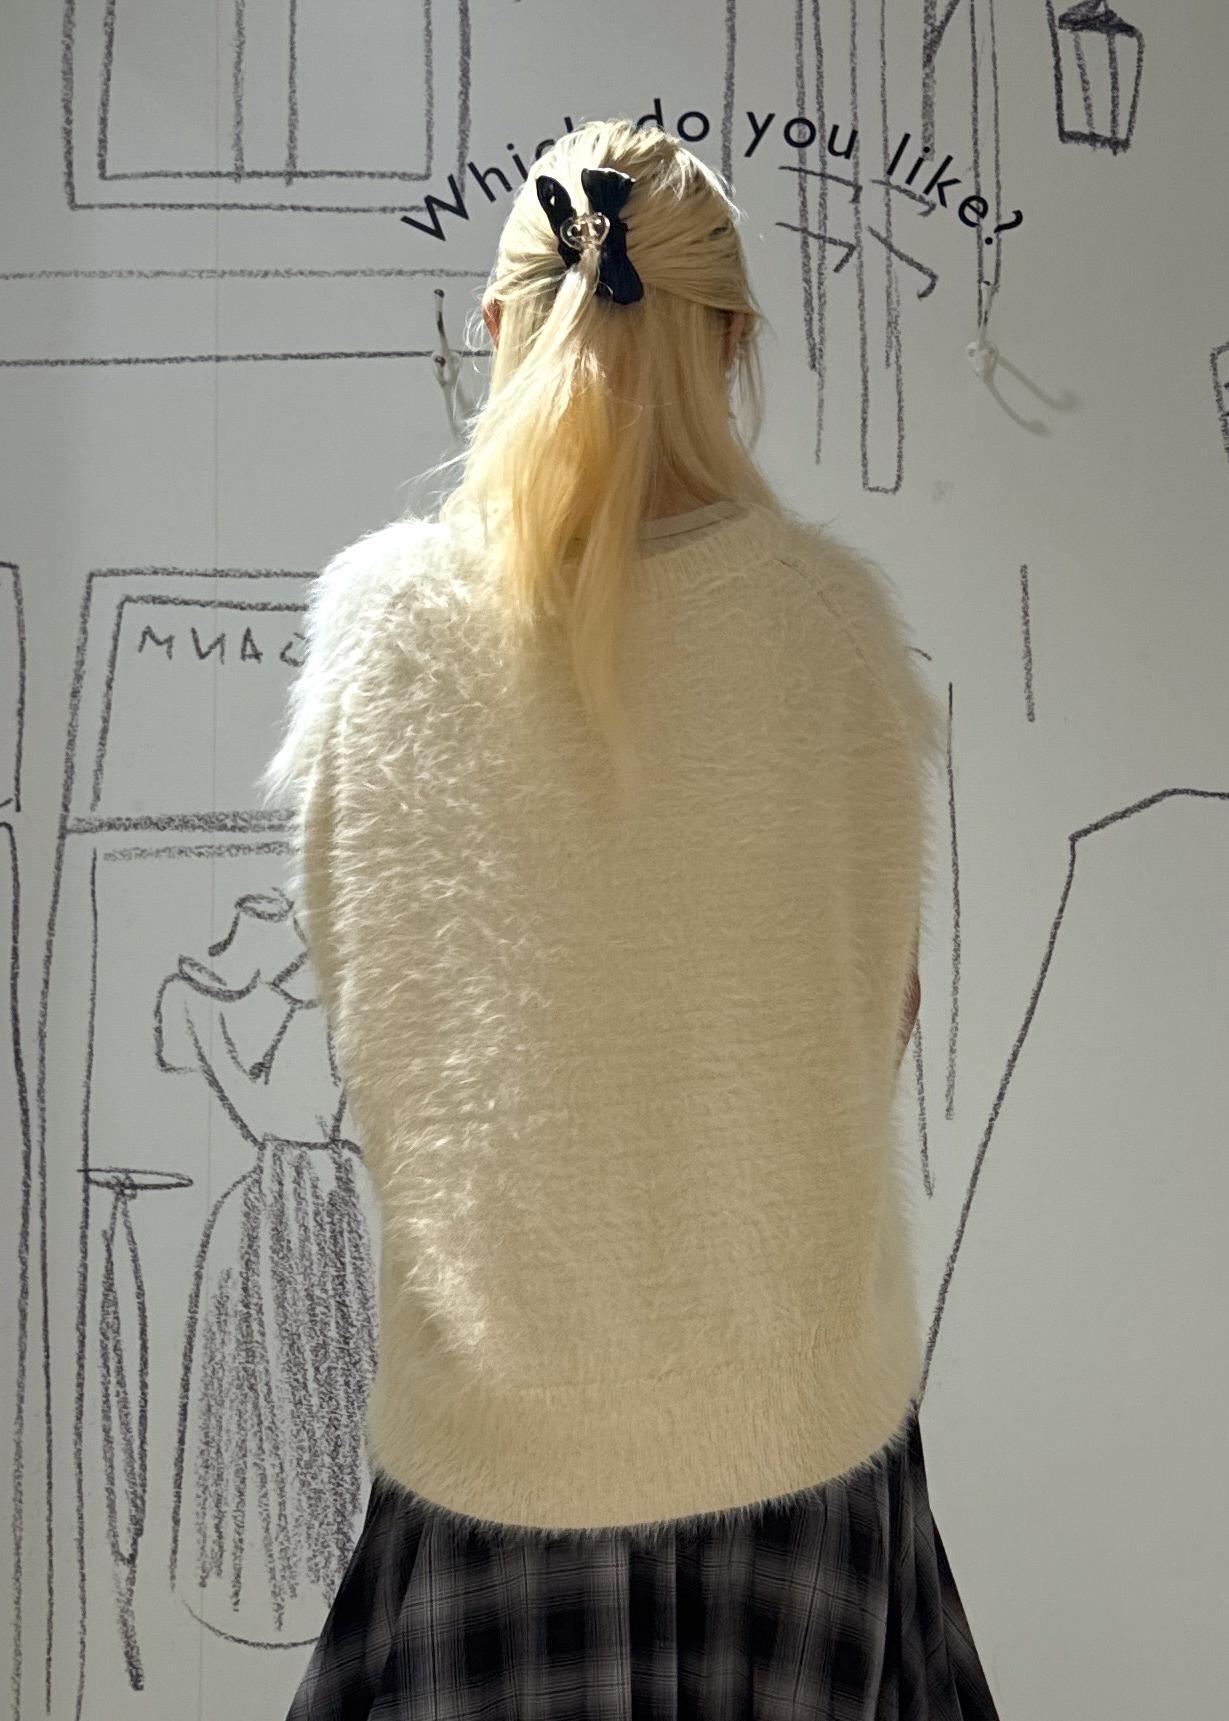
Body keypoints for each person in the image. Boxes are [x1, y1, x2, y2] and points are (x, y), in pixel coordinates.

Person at [264, 116, 999, 1720]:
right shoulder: (831, 632)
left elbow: (365, 1016)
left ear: (494, 324)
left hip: (496, 1456)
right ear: (731, 341)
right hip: (799, 1450)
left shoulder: (383, 640)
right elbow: (879, 1017)